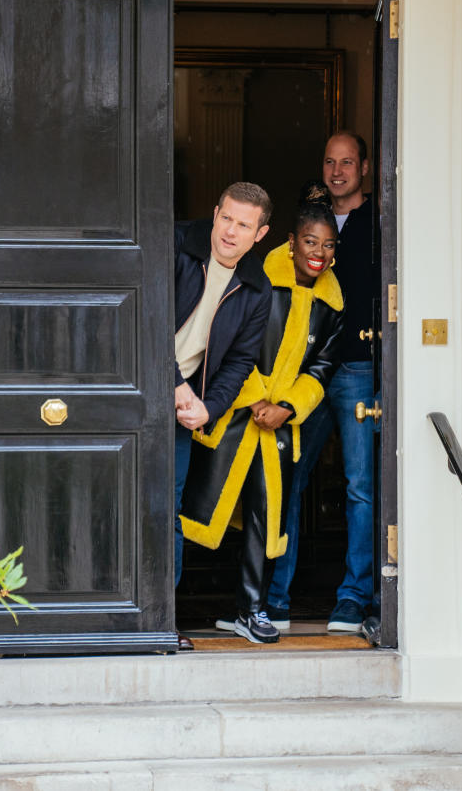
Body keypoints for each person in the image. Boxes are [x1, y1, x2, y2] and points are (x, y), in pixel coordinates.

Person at [181, 189, 343, 643]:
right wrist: (253, 398)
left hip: (277, 427)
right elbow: (231, 341)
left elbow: (322, 367)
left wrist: (288, 407)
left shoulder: (333, 305)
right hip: (230, 413)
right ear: (290, 241)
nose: (319, 254)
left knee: (263, 514)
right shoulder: (256, 278)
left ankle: (250, 609)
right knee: (195, 506)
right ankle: (170, 608)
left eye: (328, 246)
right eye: (311, 242)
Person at [266, 131, 381, 635]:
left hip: (357, 368)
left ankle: (354, 598)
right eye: (330, 162)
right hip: (302, 375)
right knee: (288, 481)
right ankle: (273, 600)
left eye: (348, 162)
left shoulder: (382, 220)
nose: (338, 171)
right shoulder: (302, 225)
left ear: (365, 167)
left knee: (360, 487)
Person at [173, 182, 274, 646]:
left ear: (261, 234)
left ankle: (158, 617)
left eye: (244, 225)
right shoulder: (174, 245)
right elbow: (144, 319)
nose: (231, 232)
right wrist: (175, 384)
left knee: (165, 509)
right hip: (138, 388)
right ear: (214, 214)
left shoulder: (256, 287)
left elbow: (239, 362)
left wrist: (208, 407)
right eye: (227, 218)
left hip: (183, 406)